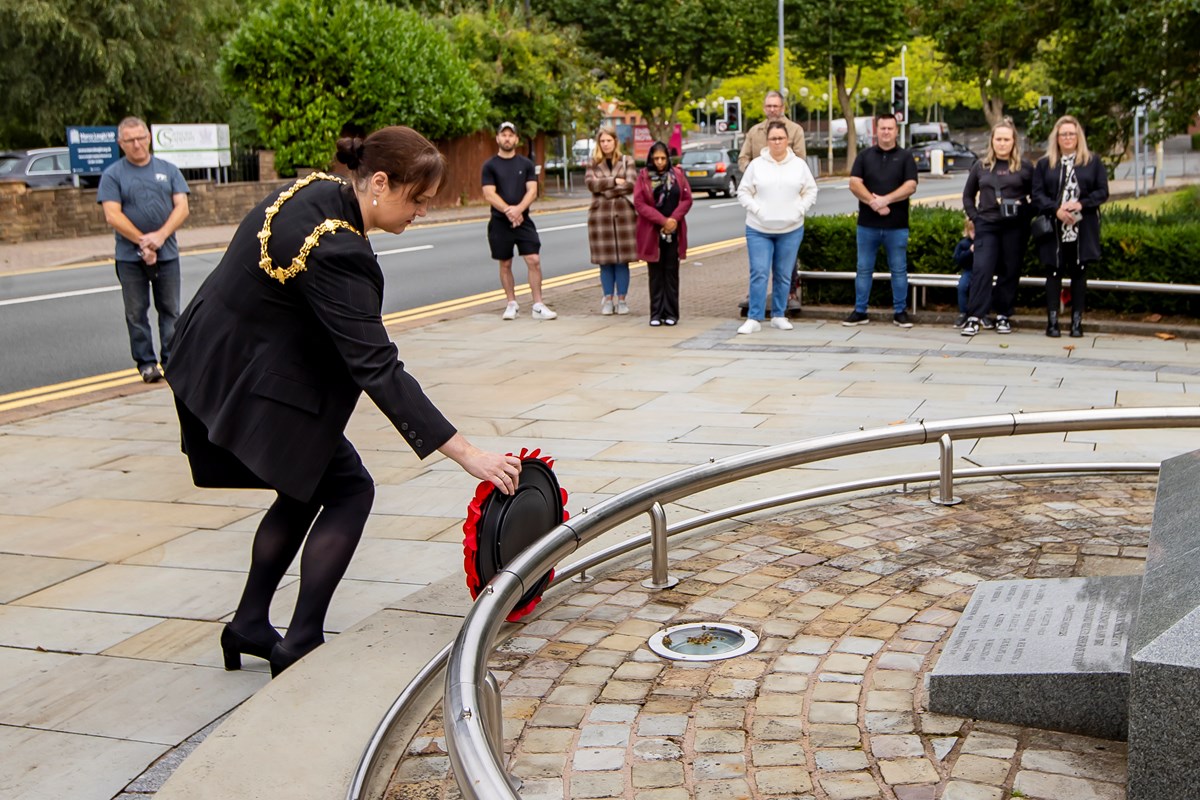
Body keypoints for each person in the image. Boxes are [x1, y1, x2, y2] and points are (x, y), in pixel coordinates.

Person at [165, 126, 522, 677]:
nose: (423, 212)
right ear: (379, 182)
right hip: (250, 380)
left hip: (211, 357)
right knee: (351, 488)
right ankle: (300, 640)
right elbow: (377, 366)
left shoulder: (309, 191)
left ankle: (249, 624)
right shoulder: (339, 250)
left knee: (305, 483)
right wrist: (470, 454)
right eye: (418, 200)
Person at [98, 116, 190, 383]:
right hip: (130, 258)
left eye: (141, 138)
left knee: (171, 310)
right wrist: (143, 241)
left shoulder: (169, 170)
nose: (137, 144)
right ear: (120, 143)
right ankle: (146, 363)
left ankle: (172, 360)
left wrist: (160, 238)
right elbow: (112, 215)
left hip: (167, 254)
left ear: (149, 138)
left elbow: (182, 207)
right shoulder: (113, 175)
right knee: (136, 312)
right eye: (130, 140)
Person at [735, 120, 819, 334]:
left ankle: (779, 315)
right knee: (759, 272)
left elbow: (811, 191)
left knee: (783, 274)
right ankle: (754, 317)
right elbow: (743, 192)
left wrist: (799, 209)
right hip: (759, 229)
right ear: (767, 141)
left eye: (781, 138)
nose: (777, 142)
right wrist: (757, 209)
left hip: (790, 229)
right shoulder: (756, 165)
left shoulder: (799, 165)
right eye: (773, 138)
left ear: (787, 140)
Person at [1032, 115, 1109, 338]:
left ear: (1078, 137)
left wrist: (1081, 204)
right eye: (1063, 134)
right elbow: (1037, 194)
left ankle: (1077, 322)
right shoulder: (1045, 164)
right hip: (1054, 229)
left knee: (1079, 272)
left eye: (1071, 134)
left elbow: (1102, 192)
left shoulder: (1092, 162)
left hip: (1082, 227)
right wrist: (1055, 209)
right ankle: (1053, 322)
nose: (1067, 138)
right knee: (1053, 272)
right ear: (1056, 138)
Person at [843, 114, 919, 328]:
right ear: (877, 131)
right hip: (867, 225)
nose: (886, 132)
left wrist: (886, 199)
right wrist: (872, 202)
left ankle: (900, 312)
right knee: (864, 268)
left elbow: (911, 186)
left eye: (890, 128)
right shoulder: (865, 156)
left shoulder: (905, 157)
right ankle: (860, 311)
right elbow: (854, 183)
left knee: (898, 269)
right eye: (883, 128)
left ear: (896, 131)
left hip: (897, 226)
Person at [960, 119, 1034, 337]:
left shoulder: (1025, 167)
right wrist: (976, 217)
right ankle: (974, 317)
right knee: (982, 269)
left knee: (1009, 271)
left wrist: (1023, 211)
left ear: (1014, 142)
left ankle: (1003, 315)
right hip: (987, 226)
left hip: (1014, 228)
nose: (1002, 143)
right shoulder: (980, 166)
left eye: (1006, 139)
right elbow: (967, 196)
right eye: (998, 139)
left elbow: (1036, 197)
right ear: (992, 141)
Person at [482, 121, 557, 321]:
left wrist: (519, 210)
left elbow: (532, 190)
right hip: (499, 221)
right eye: (503, 135)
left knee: (534, 260)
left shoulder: (526, 164)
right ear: (498, 138)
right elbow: (489, 194)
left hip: (524, 220)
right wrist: (509, 211)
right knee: (505, 263)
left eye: (510, 135)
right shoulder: (490, 166)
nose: (507, 138)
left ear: (516, 139)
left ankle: (538, 304)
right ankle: (511, 303)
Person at [634, 141, 693, 327]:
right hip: (653, 231)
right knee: (655, 273)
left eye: (663, 158)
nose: (660, 162)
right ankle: (656, 313)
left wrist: (673, 220)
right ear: (651, 158)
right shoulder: (643, 177)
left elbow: (686, 199)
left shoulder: (678, 175)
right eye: (656, 158)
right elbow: (639, 203)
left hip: (674, 231)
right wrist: (662, 221)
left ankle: (671, 313)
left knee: (671, 272)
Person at [585, 126, 638, 315]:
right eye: (602, 141)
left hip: (624, 218)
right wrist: (615, 181)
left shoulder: (627, 160)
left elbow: (631, 183)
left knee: (622, 262)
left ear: (615, 141)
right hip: (600, 219)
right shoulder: (593, 163)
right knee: (605, 262)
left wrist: (605, 188)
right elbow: (591, 184)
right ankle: (608, 299)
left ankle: (622, 300)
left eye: (609, 140)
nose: (606, 144)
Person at [738, 90, 807, 171]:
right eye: (769, 106)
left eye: (775, 106)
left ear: (783, 108)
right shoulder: (754, 132)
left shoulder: (795, 130)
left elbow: (800, 159)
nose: (772, 109)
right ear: (764, 108)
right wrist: (752, 170)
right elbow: (743, 158)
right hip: (760, 180)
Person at [952, 218, 975, 328]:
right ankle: (963, 312)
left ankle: (983, 313)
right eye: (973, 232)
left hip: (980, 271)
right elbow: (958, 259)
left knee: (983, 287)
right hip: (968, 270)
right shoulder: (963, 244)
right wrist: (969, 252)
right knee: (962, 286)